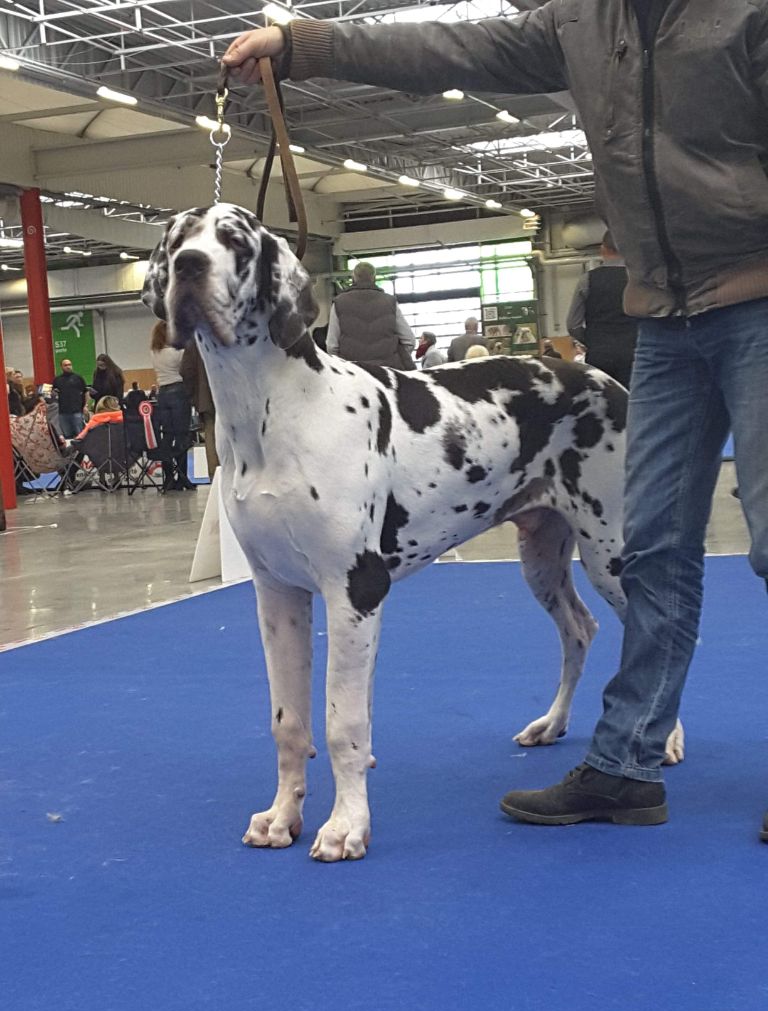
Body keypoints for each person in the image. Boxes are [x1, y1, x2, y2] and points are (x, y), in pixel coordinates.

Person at [224, 1, 768, 842]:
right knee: (651, 553)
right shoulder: (584, 20)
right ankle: (627, 764)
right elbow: (452, 44)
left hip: (761, 298)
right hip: (664, 317)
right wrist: (303, 44)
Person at [567, 231, 638, 388]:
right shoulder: (638, 278)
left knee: (603, 402)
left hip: (599, 355)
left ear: (602, 249)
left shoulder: (587, 280)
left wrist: (593, 341)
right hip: (634, 353)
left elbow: (573, 325)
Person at [326, 262, 416, 369]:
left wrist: (343, 364)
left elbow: (332, 345)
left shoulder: (339, 303)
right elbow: (409, 340)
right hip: (388, 371)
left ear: (353, 277)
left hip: (354, 372)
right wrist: (396, 356)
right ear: (374, 278)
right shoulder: (390, 301)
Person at [150, 321, 196, 491]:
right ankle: (183, 476)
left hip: (162, 394)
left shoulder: (154, 352)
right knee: (182, 435)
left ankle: (168, 477)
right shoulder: (179, 351)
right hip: (178, 391)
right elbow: (186, 370)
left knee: (167, 437)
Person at [181, 342, 219, 480]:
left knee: (211, 433)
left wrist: (195, 396)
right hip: (237, 399)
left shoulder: (196, 337)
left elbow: (186, 370)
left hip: (207, 397)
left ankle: (215, 476)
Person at [52, 358, 88, 438]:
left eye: (69, 365)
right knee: (67, 435)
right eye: (65, 365)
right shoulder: (57, 380)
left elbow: (86, 392)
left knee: (80, 435)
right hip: (63, 412)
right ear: (61, 367)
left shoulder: (78, 378)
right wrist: (53, 393)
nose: (68, 367)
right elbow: (52, 394)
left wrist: (86, 405)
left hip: (77, 411)